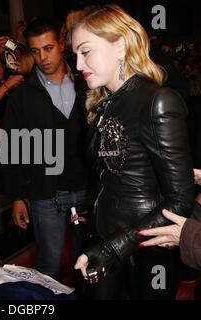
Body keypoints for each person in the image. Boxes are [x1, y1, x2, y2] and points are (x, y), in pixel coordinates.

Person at [71, 5, 194, 299]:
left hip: (148, 249)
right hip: (104, 240)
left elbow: (180, 201)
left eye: (85, 51)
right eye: (75, 54)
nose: (77, 64)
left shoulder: (157, 101)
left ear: (121, 46)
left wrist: (116, 246)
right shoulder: (103, 104)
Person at [3, 18, 87, 284]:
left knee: (89, 262)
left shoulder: (88, 83)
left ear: (61, 44)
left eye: (48, 48)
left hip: (88, 189)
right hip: (45, 193)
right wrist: (17, 196)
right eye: (36, 51)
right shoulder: (21, 97)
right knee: (48, 268)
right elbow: (12, 149)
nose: (43, 57)